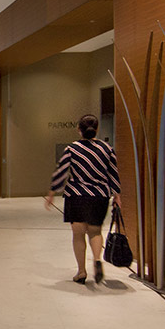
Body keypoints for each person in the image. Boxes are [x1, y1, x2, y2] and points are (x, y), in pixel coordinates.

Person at [45, 114, 121, 284]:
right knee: (95, 231)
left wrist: (52, 191)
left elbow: (62, 171)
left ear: (78, 129)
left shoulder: (72, 149)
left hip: (76, 196)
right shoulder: (106, 149)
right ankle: (97, 260)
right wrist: (117, 194)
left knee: (78, 235)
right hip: (99, 196)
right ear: (97, 128)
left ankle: (81, 271)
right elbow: (113, 173)